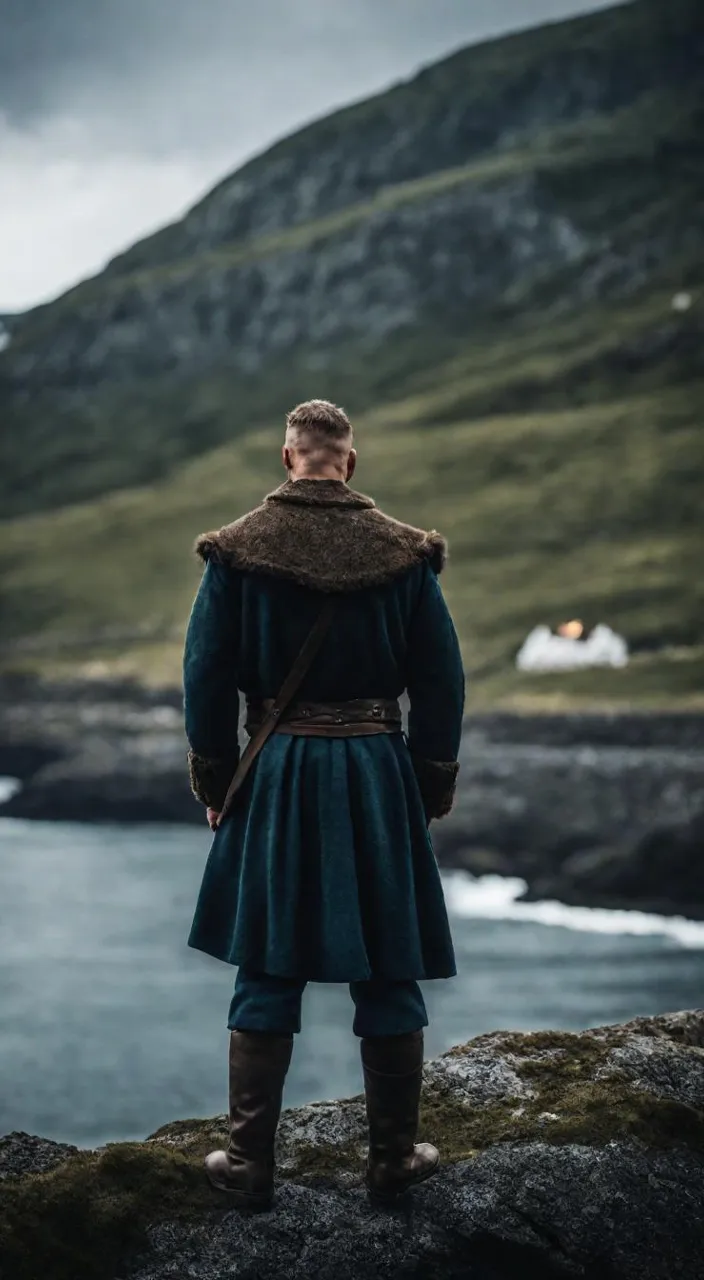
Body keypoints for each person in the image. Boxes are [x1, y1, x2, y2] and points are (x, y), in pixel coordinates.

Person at [183, 399, 465, 1211]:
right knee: (390, 965)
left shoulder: (237, 551)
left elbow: (205, 677)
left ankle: (247, 1167)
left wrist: (216, 783)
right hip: (377, 771)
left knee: (268, 962)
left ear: (287, 457)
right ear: (350, 460)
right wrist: (428, 783)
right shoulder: (406, 553)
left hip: (276, 771)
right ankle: (391, 1163)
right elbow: (441, 682)